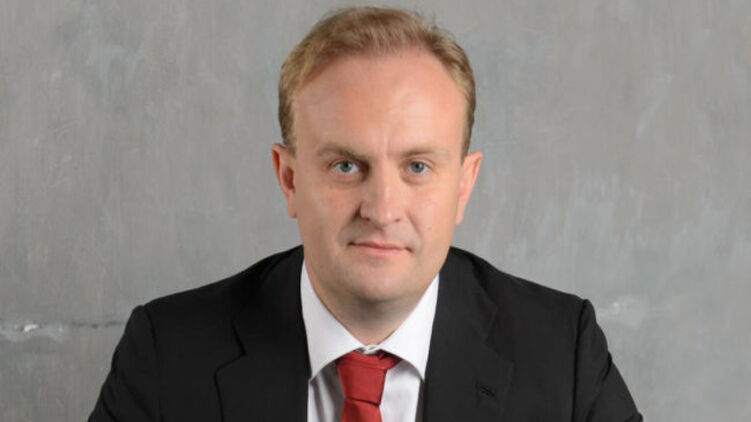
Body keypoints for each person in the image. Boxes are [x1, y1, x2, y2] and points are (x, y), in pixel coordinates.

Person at [89, 6, 642, 422]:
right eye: (347, 166)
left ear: (463, 185)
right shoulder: (167, 356)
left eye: (417, 167)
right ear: (289, 179)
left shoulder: (562, 356)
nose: (381, 209)